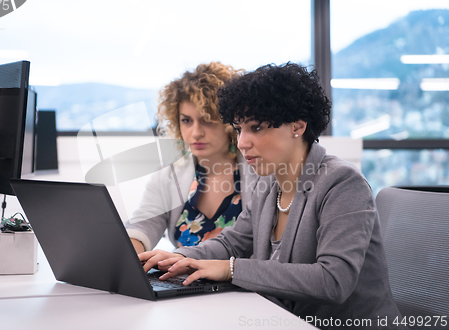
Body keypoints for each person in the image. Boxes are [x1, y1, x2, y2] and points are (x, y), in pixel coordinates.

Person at [139, 63, 405, 329]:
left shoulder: (343, 183)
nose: (242, 142)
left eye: (256, 128)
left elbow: (333, 281)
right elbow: (232, 243)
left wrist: (231, 269)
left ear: (297, 126)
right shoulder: (268, 184)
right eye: (239, 128)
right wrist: (181, 259)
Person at [125, 62, 259, 254]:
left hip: (241, 281)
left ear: (230, 122)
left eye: (207, 120)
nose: (196, 133)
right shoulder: (170, 172)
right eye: (186, 120)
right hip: (182, 281)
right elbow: (144, 223)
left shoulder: (261, 170)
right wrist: (126, 258)